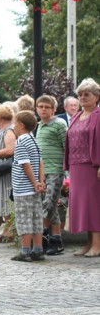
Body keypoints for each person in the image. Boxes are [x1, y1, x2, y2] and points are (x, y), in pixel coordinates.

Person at [64, 78, 100, 257]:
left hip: (92, 165)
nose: (83, 97)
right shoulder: (77, 115)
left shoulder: (99, 115)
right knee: (83, 207)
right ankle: (88, 243)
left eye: (87, 94)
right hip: (76, 165)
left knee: (94, 205)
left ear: (97, 96)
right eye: (80, 94)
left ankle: (97, 244)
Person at [10, 111, 46, 262]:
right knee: (36, 218)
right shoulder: (34, 140)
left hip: (23, 188)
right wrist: (40, 182)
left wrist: (34, 183)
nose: (13, 126)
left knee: (24, 219)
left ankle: (25, 251)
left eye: (15, 123)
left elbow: (26, 165)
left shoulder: (20, 141)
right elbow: (40, 162)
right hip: (35, 189)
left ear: (21, 125)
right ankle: (38, 249)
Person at [34, 95, 68, 255]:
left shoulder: (59, 124)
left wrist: (67, 169)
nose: (43, 109)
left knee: (48, 204)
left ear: (54, 109)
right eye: (40, 106)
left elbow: (67, 147)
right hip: (42, 172)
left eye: (47, 107)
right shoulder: (39, 125)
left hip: (55, 170)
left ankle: (39, 238)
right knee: (52, 207)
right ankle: (56, 241)